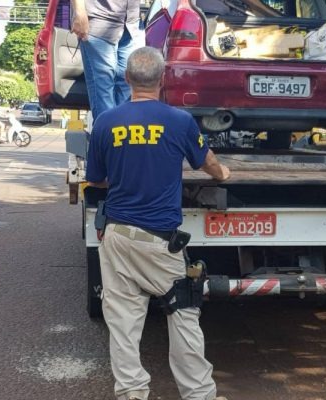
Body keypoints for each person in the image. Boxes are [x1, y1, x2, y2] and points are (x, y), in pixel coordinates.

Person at [86, 47, 230, 400]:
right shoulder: (179, 121)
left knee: (122, 322)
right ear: (162, 80)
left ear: (127, 79)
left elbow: (97, 180)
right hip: (161, 243)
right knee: (183, 315)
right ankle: (199, 395)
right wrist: (222, 172)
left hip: (117, 237)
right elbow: (205, 160)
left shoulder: (106, 121)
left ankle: (132, 394)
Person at [70, 0, 143, 122]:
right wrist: (80, 12)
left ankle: (122, 136)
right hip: (99, 21)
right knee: (104, 90)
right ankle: (107, 138)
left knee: (127, 86)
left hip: (131, 24)